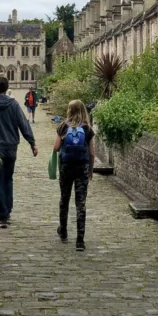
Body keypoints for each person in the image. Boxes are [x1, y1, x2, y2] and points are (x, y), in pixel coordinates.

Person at [0, 76, 38, 228]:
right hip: (11, 147)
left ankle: (2, 214)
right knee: (8, 179)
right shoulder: (13, 104)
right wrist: (32, 143)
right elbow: (23, 124)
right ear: (6, 88)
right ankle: (7, 211)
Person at [53, 99, 95, 252]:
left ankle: (63, 231)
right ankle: (80, 240)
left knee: (64, 199)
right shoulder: (88, 128)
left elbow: (56, 148)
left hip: (66, 167)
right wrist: (90, 170)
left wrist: (64, 140)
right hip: (82, 168)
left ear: (70, 110)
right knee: (81, 203)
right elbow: (91, 153)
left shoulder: (64, 126)